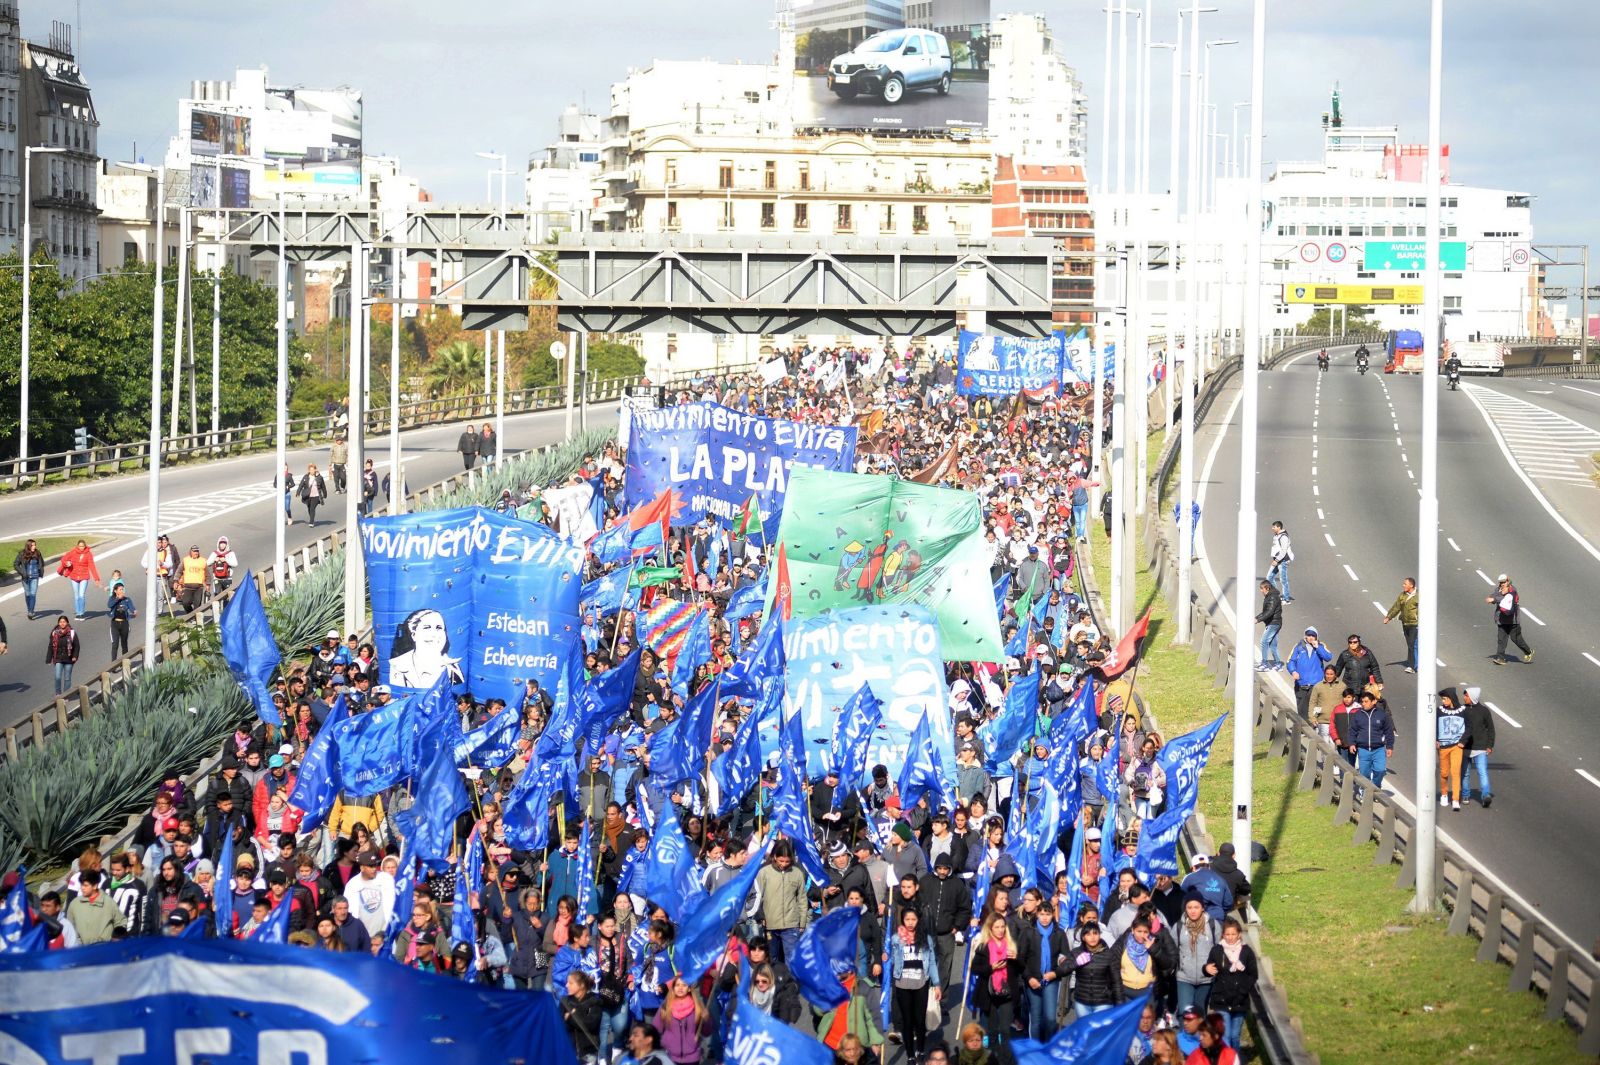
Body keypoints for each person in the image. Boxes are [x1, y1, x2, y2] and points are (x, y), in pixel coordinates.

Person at [887, 906, 941, 1062]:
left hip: (921, 983)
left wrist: (936, 984)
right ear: (903, 920)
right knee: (907, 1021)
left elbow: (931, 963)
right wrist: (885, 956)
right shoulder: (896, 938)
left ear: (919, 920)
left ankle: (921, 1050)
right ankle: (910, 1054)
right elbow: (890, 957)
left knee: (919, 1019)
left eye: (913, 919)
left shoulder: (926, 938)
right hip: (902, 984)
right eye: (907, 919)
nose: (910, 923)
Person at [1203, 919, 1256, 1049]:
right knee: (1225, 1035)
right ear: (1223, 935)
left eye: (1233, 934)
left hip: (1240, 1000)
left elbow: (1253, 975)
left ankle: (1235, 1060)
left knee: (1234, 1036)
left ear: (1239, 935)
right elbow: (1209, 968)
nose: (1230, 937)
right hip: (1222, 999)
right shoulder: (1217, 950)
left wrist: (1243, 991)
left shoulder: (1247, 952)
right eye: (1227, 934)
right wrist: (1206, 969)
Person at [970, 912, 1021, 1045]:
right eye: (997, 927)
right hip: (989, 992)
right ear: (990, 928)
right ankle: (993, 1057)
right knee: (992, 1030)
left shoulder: (1011, 944)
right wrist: (990, 968)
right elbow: (975, 968)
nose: (1000, 930)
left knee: (1005, 1030)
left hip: (1007, 991)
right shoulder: (984, 946)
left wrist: (1016, 959)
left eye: (1002, 927)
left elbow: (1020, 969)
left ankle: (1004, 1057)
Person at [1021, 899, 1068, 1041]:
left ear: (1053, 915)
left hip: (1051, 980)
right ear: (1037, 914)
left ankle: (1048, 1047)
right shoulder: (1028, 932)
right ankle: (1034, 1051)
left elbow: (1066, 956)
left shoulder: (1059, 933)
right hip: (1033, 980)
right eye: (1041, 914)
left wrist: (1058, 968)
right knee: (1035, 1019)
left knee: (1050, 1018)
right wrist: (1029, 978)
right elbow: (1020, 959)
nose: (1044, 918)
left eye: (1047, 914)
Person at [387, 608, 463, 689]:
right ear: (414, 635)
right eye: (427, 628)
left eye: (439, 628)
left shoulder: (453, 668)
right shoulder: (397, 666)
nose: (434, 634)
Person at [652, 977, 709, 1065]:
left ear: (689, 988)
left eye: (684, 985)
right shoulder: (665, 1007)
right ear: (673, 988)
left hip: (692, 1057)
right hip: (670, 1057)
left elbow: (707, 1032)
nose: (680, 988)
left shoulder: (697, 1007)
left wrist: (706, 1019)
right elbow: (655, 1029)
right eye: (677, 985)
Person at [1345, 689, 1396, 788]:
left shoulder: (1382, 715)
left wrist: (1389, 747)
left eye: (1366, 701)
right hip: (1363, 749)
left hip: (1379, 749)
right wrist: (1351, 743)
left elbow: (1389, 732)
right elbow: (1352, 731)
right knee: (1364, 774)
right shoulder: (1358, 715)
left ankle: (1375, 789)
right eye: (1362, 702)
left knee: (1380, 771)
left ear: (1373, 702)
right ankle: (1364, 792)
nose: (1363, 704)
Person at [1459, 685, 1494, 808]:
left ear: (1472, 697)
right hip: (1465, 748)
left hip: (1480, 748)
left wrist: (1489, 745)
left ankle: (1485, 795)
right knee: (1465, 773)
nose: (1464, 697)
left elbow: (1491, 729)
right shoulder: (1462, 710)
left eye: (1466, 695)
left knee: (1482, 772)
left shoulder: (1484, 711)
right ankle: (1465, 795)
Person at [1285, 627, 1331, 720]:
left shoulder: (1321, 646)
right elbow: (1290, 661)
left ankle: (1313, 726)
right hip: (1301, 683)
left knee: (1314, 707)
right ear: (1305, 636)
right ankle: (1304, 728)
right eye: (1308, 635)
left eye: (1313, 635)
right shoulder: (1298, 646)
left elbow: (1328, 657)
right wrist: (1293, 671)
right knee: (1302, 708)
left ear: (1316, 637)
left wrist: (1317, 647)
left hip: (1315, 684)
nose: (1310, 637)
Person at [1486, 574, 1533, 665]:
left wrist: (1493, 599)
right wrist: (1491, 597)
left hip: (1513, 621)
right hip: (1501, 619)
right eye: (1501, 582)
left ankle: (1528, 651)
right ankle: (1501, 658)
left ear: (1508, 581)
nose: (1502, 584)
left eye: (1504, 582)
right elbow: (1495, 595)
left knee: (1516, 639)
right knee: (1501, 640)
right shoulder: (1498, 589)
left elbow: (1503, 599)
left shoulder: (1512, 591)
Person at [1436, 687, 1468, 812]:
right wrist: (1436, 739)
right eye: (1442, 699)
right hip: (1443, 746)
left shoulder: (1462, 711)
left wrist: (1463, 741)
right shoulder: (1440, 711)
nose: (1443, 701)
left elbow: (1469, 726)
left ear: (1451, 699)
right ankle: (1444, 793)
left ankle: (1455, 799)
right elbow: (1434, 725)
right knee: (1444, 773)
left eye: (1445, 699)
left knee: (1455, 772)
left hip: (1456, 746)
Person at [57, 538, 101, 620]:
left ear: (85, 546)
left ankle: (81, 613)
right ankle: (78, 613)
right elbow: (63, 559)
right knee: (76, 596)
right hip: (74, 576)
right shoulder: (73, 552)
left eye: (83, 546)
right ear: (77, 546)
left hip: (84, 576)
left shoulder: (88, 554)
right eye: (80, 546)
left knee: (81, 595)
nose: (81, 548)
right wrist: (67, 563)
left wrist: (96, 579)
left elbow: (92, 566)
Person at [1382, 577, 1420, 673]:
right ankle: (1416, 662)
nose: (1403, 585)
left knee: (1412, 644)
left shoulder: (1419, 596)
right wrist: (1388, 617)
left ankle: (1412, 666)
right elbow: (1396, 607)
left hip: (1415, 624)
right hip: (1405, 623)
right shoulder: (1403, 595)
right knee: (1411, 644)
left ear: (1411, 585)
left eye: (1405, 584)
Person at [1253, 579, 1283, 672]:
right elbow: (1266, 612)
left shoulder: (1272, 597)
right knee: (1273, 645)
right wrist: (1257, 617)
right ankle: (1278, 664)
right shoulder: (1270, 596)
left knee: (1264, 642)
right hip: (1274, 623)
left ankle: (1264, 664)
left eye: (1262, 589)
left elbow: (1269, 612)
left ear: (1267, 588)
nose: (1261, 591)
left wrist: (1257, 619)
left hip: (1273, 623)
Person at [47, 615, 80, 695]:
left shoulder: (72, 632)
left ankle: (66, 695)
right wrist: (49, 659)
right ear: (58, 623)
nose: (62, 623)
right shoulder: (54, 633)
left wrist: (75, 656)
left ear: (67, 623)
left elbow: (77, 645)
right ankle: (58, 694)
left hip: (69, 659)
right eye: (60, 622)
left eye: (64, 622)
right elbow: (51, 646)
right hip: (58, 659)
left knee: (67, 678)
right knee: (57, 677)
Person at [13, 538, 44, 619]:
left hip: (35, 577)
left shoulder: (38, 553)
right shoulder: (22, 553)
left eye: (35, 545)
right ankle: (29, 609)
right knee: (28, 595)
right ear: (28, 546)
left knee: (33, 594)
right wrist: (22, 572)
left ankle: (30, 612)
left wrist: (40, 570)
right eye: (32, 545)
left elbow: (41, 563)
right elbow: (15, 564)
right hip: (25, 578)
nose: (34, 546)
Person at [106, 584, 137, 659]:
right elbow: (109, 605)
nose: (122, 591)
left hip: (124, 623)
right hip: (115, 624)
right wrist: (117, 599)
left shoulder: (127, 599)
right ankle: (113, 664)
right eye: (120, 589)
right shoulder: (112, 598)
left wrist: (134, 611)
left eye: (122, 589)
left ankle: (125, 662)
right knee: (115, 644)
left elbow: (131, 608)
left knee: (124, 644)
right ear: (115, 591)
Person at [176, 545, 210, 614]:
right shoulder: (185, 560)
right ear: (191, 552)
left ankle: (195, 619)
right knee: (185, 603)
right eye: (194, 551)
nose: (196, 553)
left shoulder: (203, 560)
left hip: (199, 587)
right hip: (187, 587)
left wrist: (208, 584)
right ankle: (191, 615)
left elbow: (207, 574)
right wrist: (176, 581)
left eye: (197, 551)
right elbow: (179, 571)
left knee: (197, 606)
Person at [1267, 521, 1293, 604]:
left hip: (1282, 561)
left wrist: (1277, 560)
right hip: (1277, 560)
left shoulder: (1283, 537)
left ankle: (1286, 599)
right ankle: (1276, 595)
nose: (1272, 528)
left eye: (1274, 527)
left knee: (1283, 580)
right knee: (1269, 577)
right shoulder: (1277, 535)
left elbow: (1284, 551)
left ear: (1278, 527)